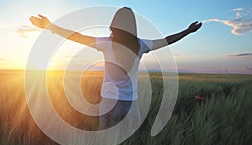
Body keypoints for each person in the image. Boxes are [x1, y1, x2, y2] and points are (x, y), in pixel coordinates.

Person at [29, 7, 202, 131]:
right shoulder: (141, 45)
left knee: (108, 141)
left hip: (108, 101)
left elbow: (77, 37)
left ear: (114, 24)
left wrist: (50, 26)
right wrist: (187, 31)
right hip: (130, 103)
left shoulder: (106, 44)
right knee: (130, 143)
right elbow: (167, 40)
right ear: (133, 26)